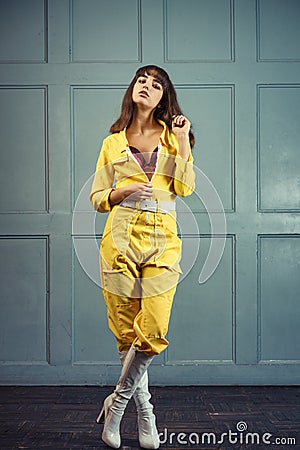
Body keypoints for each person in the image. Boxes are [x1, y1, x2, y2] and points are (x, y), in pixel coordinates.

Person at [90, 65, 195, 449]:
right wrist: (123, 191)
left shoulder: (173, 137)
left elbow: (184, 187)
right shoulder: (112, 142)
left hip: (162, 238)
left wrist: (183, 140)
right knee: (125, 331)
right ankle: (145, 412)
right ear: (132, 89)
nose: (147, 87)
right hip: (119, 236)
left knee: (152, 330)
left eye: (156, 84)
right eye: (142, 81)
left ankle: (118, 405)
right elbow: (99, 197)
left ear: (164, 96)